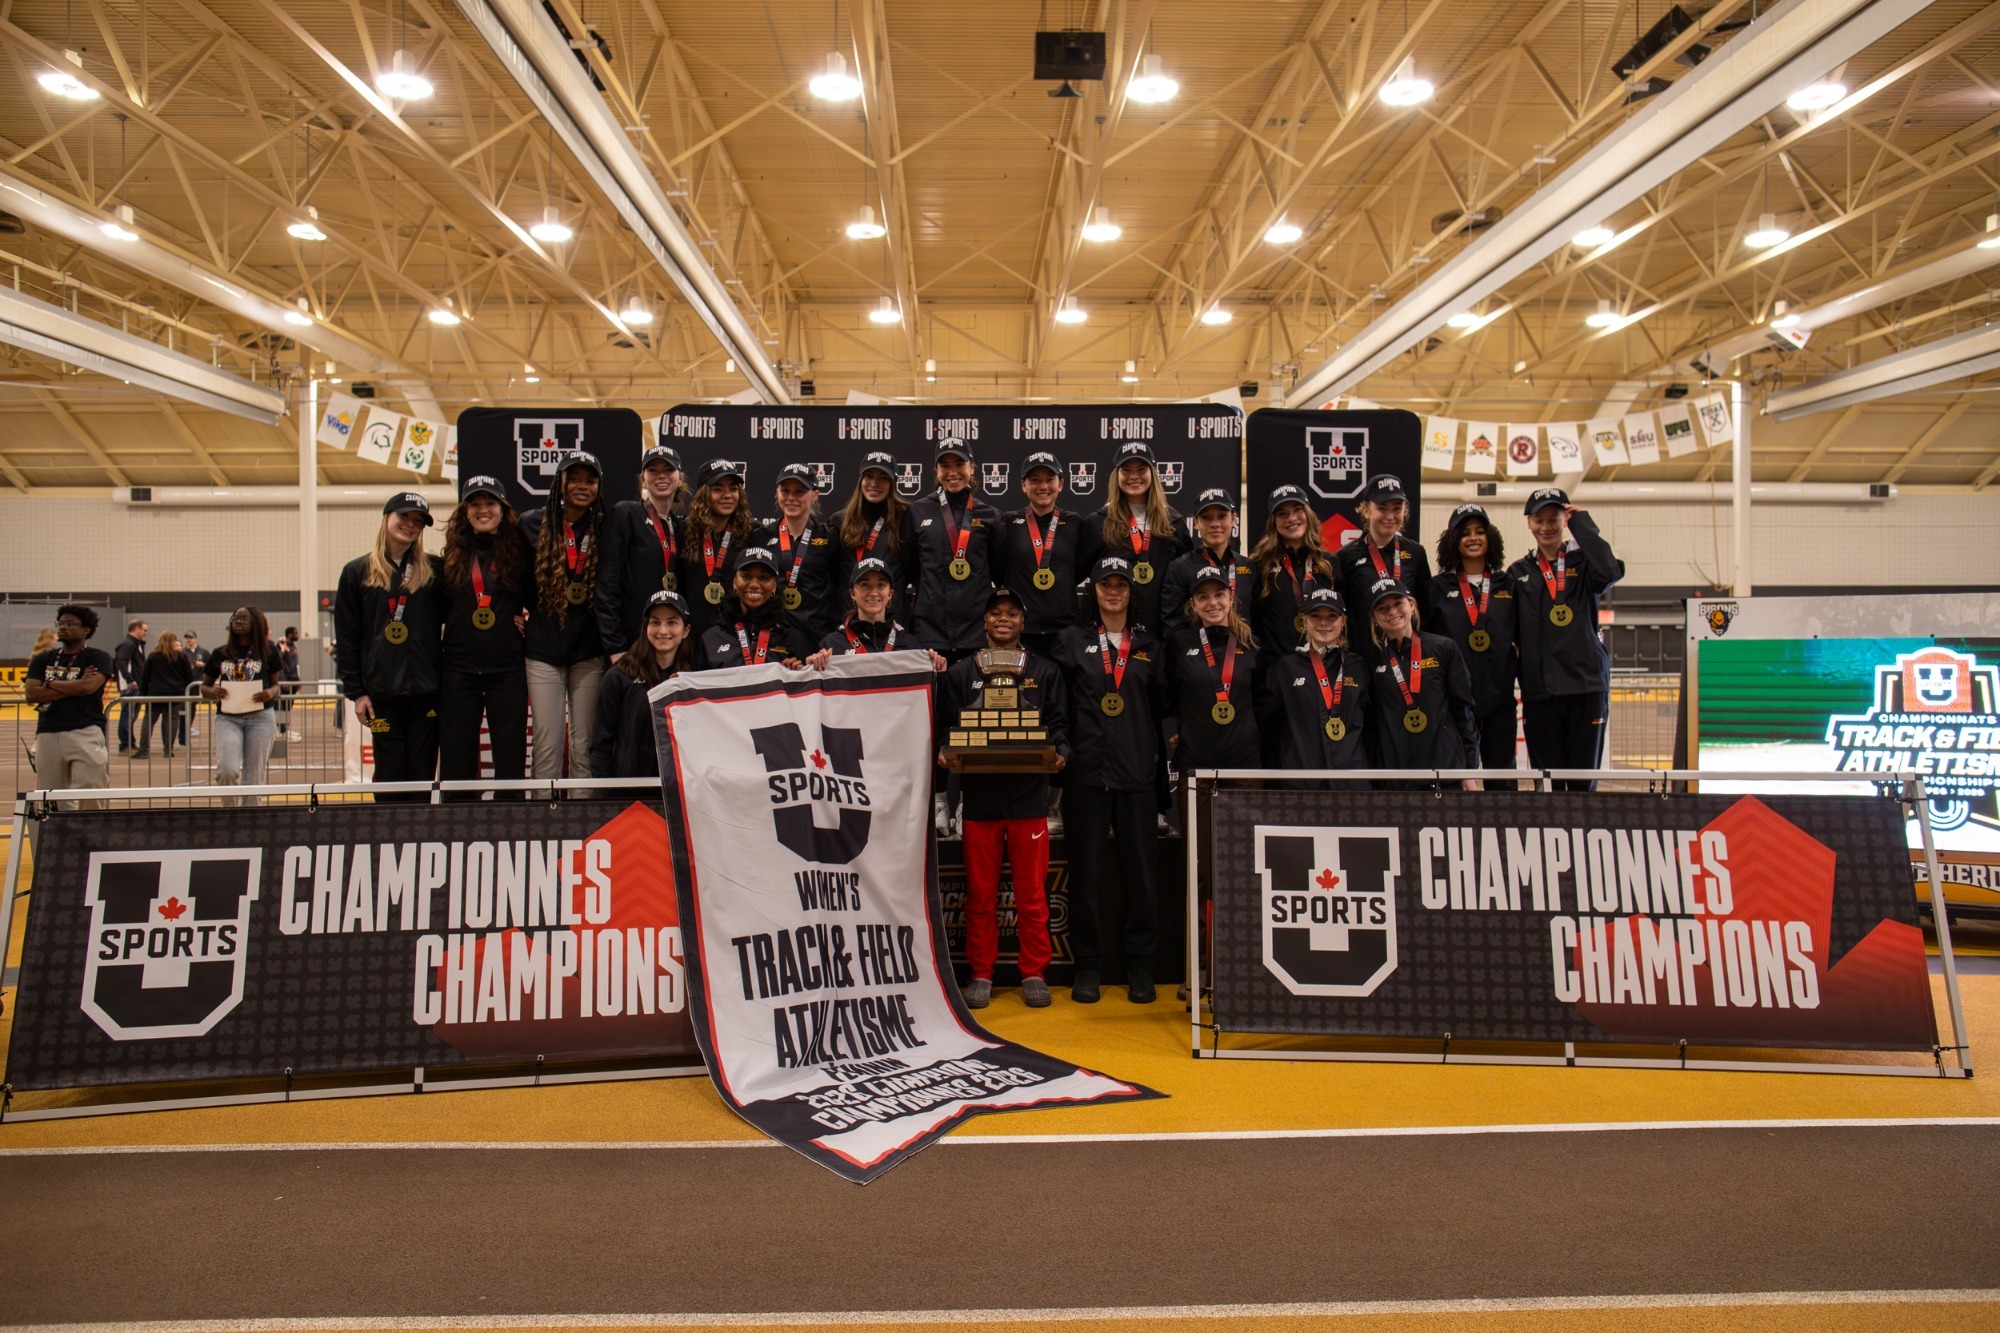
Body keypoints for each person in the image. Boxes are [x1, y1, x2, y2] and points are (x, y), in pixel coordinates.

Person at [937, 587, 1069, 1010]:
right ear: (984, 621)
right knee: (979, 895)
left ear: (1023, 623)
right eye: (996, 613)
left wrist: (1062, 754)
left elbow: (1061, 727)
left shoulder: (1045, 671)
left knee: (1031, 894)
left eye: (1012, 613)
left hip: (1030, 798)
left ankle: (1034, 970)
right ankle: (980, 972)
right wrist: (944, 749)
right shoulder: (960, 673)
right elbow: (943, 728)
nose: (1004, 619)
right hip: (979, 800)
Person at [1053, 555, 1165, 1005]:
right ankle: (1089, 966)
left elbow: (1159, 711)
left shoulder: (1149, 645)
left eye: (1121, 584)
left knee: (1142, 874)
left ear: (1130, 592)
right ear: (1093, 590)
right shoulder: (1070, 641)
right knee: (1087, 874)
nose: (1114, 591)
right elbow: (1058, 707)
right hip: (1086, 772)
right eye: (1106, 584)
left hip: (1136, 770)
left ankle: (1140, 966)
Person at [1508, 487, 1625, 791]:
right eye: (1539, 520)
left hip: (1585, 685)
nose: (1546, 527)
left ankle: (1581, 837)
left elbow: (1611, 571)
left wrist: (1583, 525)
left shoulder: (1585, 563)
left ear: (1564, 520)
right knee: (1547, 784)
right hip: (1540, 691)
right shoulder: (1518, 572)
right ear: (1528, 523)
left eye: (1553, 519)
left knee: (1582, 784)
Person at [335, 492, 445, 801]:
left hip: (426, 692)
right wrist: (356, 692)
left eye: (417, 522)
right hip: (382, 694)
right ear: (387, 517)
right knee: (388, 772)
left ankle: (420, 842)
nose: (410, 526)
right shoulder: (357, 572)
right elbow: (347, 637)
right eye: (404, 517)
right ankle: (389, 840)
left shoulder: (434, 571)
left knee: (422, 772)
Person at [438, 475, 533, 800]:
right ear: (465, 512)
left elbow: (538, 600)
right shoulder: (450, 556)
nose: (482, 510)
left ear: (502, 508)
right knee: (456, 756)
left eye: (489, 503)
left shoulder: (520, 552)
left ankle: (511, 825)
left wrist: (528, 624)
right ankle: (457, 823)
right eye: (475, 504)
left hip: (506, 670)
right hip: (458, 669)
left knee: (510, 755)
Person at [521, 450, 608, 780]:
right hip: (544, 651)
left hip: (589, 650)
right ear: (561, 482)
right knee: (546, 742)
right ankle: (545, 819)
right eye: (575, 478)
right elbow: (514, 580)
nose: (582, 485)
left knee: (585, 742)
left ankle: (583, 818)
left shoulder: (604, 525)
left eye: (591, 479)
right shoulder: (531, 523)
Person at [1431, 503, 1520, 788]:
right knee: (1459, 778)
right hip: (1455, 701)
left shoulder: (1509, 584)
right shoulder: (1437, 588)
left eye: (1480, 531)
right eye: (1465, 532)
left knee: (1502, 779)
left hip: (1499, 699)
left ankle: (1504, 831)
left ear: (1490, 537)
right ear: (1452, 541)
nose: (1473, 538)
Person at [1360, 578, 1479, 788]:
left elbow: (1464, 711)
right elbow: (1370, 723)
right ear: (1374, 618)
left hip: (1445, 769)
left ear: (1412, 605)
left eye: (1398, 603)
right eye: (1382, 608)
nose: (1392, 612)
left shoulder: (1443, 648)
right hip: (1395, 775)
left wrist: (1468, 769)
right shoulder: (1370, 660)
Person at [1258, 588, 1370, 784]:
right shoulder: (1285, 668)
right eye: (1315, 616)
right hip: (1301, 782)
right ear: (1305, 621)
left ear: (1343, 621)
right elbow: (1268, 724)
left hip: (1351, 781)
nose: (1324, 623)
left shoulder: (1358, 666)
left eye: (1332, 616)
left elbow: (1372, 725)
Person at [1000, 451, 1101, 660]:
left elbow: (1080, 569)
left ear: (1061, 483)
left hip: (1065, 631)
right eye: (1034, 480)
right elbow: (997, 568)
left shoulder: (1074, 523)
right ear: (1023, 485)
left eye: (1049, 480)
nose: (1043, 486)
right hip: (1021, 631)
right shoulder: (1008, 523)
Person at [909, 439, 1000, 661]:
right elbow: (911, 568)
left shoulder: (990, 516)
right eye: (945, 466)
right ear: (936, 470)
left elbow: (999, 570)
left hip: (976, 633)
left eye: (959, 464)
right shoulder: (917, 511)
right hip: (930, 633)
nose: (952, 472)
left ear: (971, 467)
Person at [591, 590, 695, 780]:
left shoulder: (695, 678)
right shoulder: (619, 677)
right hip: (630, 791)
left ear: (685, 630)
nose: (663, 631)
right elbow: (601, 745)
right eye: (655, 622)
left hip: (680, 792)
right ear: (646, 628)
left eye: (671, 622)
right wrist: (604, 799)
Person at [596, 444, 687, 660]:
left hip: (669, 644)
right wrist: (615, 647)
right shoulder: (626, 514)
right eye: (653, 470)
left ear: (679, 478)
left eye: (668, 470)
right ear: (643, 479)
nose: (661, 476)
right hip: (631, 644)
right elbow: (607, 585)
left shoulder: (680, 525)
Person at [1334, 474, 1434, 655]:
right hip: (1364, 655)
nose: (1390, 516)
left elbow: (1426, 611)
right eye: (1382, 508)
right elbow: (1342, 613)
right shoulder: (1345, 556)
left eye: (1397, 509)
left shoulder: (1416, 552)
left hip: (1409, 656)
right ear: (1365, 510)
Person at [25, 605, 112, 805]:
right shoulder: (43, 659)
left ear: (86, 629)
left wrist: (48, 684)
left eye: (70, 624)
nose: (63, 627)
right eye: (60, 623)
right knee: (51, 795)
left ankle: (93, 834)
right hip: (48, 732)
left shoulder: (98, 657)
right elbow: (31, 694)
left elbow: (87, 688)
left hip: (85, 730)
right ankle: (59, 835)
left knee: (91, 789)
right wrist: (74, 684)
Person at [1098, 441, 1188, 634]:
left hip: (1163, 633)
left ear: (1152, 474)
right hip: (1113, 635)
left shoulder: (1174, 524)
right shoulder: (1099, 523)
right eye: (1126, 470)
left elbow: (1185, 581)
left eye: (1141, 469)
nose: (1134, 476)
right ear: (1116, 475)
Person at [200, 605, 286, 802]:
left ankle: (251, 819)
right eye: (234, 619)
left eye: (243, 619)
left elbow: (276, 686)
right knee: (227, 770)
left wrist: (269, 693)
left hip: (260, 718)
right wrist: (213, 692)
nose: (237, 623)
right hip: (228, 717)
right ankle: (230, 813)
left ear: (254, 623)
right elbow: (203, 688)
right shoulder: (220, 653)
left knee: (254, 775)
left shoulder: (269, 651)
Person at [810, 558, 947, 671]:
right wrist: (814, 668)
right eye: (865, 585)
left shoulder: (910, 645)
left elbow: (927, 697)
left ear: (890, 594)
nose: (874, 592)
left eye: (881, 585)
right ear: (852, 594)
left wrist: (937, 671)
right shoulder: (831, 645)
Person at [757, 463, 841, 645]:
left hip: (820, 637)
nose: (791, 498)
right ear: (776, 493)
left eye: (799, 492)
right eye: (785, 491)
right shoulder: (761, 536)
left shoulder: (830, 537)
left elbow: (838, 586)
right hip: (775, 638)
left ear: (814, 496)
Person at [1162, 488, 1256, 647]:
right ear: (1196, 522)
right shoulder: (1179, 568)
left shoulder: (1249, 567)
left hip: (1242, 657)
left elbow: (1258, 619)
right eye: (1206, 517)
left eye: (1222, 516)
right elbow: (1173, 626)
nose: (1215, 524)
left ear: (1234, 519)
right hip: (1197, 659)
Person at [1249, 484, 1335, 655]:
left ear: (1308, 514)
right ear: (1273, 522)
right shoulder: (1260, 564)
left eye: (1297, 510)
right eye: (1282, 514)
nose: (1291, 518)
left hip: (1322, 667)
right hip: (1277, 670)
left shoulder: (1329, 563)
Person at [697, 547, 815, 669]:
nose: (754, 585)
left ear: (774, 586)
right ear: (734, 582)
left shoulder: (793, 639)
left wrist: (796, 676)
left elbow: (808, 685)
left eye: (764, 578)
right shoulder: (711, 638)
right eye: (747, 576)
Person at [680, 457, 757, 639]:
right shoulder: (684, 530)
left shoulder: (751, 532)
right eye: (718, 489)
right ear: (704, 493)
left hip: (736, 635)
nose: (728, 495)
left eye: (733, 489)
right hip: (691, 634)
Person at [834, 451, 916, 622]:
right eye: (869, 476)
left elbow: (913, 571)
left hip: (893, 621)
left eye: (883, 477)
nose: (874, 483)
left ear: (892, 483)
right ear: (860, 480)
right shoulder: (839, 521)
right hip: (850, 620)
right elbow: (834, 577)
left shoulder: (905, 518)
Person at [135, 630, 193, 758]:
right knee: (172, 720)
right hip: (176, 694)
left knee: (149, 720)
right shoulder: (181, 656)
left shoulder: (153, 656)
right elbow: (189, 677)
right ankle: (168, 750)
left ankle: (144, 750)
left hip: (156, 693)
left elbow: (145, 677)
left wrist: (143, 693)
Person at [112, 618, 147, 753]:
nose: (145, 633)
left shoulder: (136, 645)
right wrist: (130, 681)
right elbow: (121, 663)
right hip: (131, 687)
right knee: (127, 716)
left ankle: (130, 743)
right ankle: (125, 744)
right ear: (136, 628)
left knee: (131, 717)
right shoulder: (128, 645)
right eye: (144, 630)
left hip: (136, 685)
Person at [276, 625, 302, 735]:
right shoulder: (283, 645)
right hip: (286, 681)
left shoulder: (293, 647)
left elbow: (295, 665)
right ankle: (282, 730)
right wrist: (283, 681)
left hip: (293, 681)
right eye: (296, 633)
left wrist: (298, 680)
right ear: (290, 634)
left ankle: (286, 728)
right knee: (283, 706)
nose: (298, 635)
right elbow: (279, 664)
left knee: (289, 707)